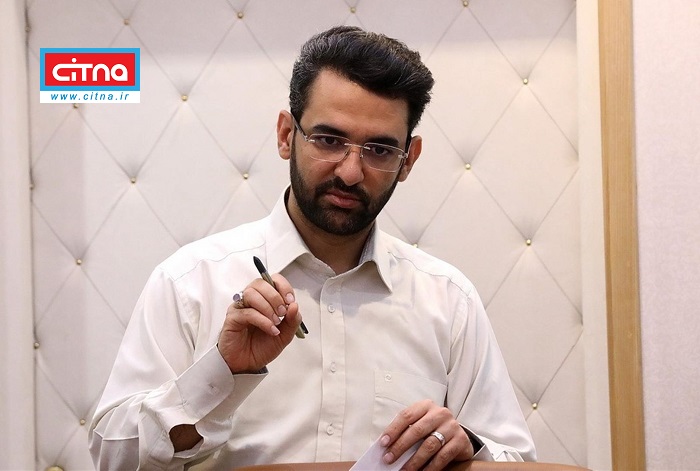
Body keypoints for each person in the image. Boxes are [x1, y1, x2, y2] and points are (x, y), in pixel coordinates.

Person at [89, 25, 535, 470]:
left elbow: (514, 459)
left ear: (408, 160)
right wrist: (222, 373)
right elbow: (115, 460)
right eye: (329, 140)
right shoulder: (190, 281)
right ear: (287, 135)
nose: (350, 172)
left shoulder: (449, 300)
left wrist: (467, 446)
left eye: (379, 150)